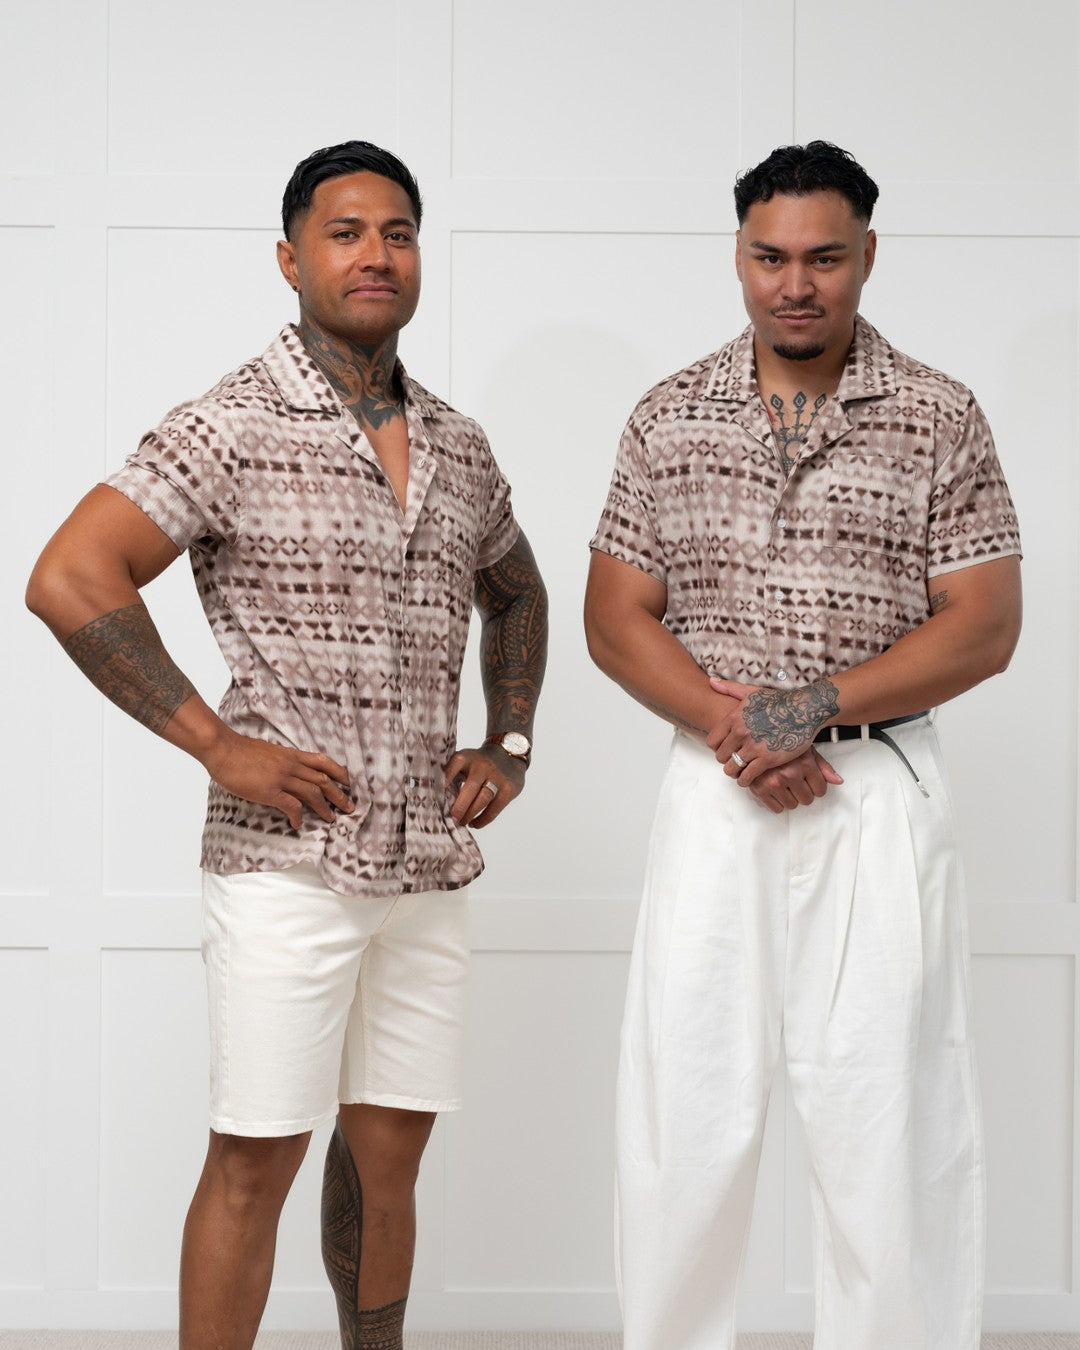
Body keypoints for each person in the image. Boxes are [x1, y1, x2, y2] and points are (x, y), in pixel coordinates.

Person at [27, 140, 547, 1350]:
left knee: (392, 1152)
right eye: (345, 232)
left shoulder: (458, 441)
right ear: (290, 258)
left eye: (398, 233)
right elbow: (68, 576)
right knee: (255, 1155)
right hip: (286, 863)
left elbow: (516, 589)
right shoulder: (231, 422)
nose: (377, 255)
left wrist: (509, 741)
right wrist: (217, 746)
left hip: (425, 865)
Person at [584, 141, 1021, 1350]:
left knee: (890, 1115)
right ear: (738, 256)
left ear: (867, 255)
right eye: (770, 257)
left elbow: (985, 626)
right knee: (686, 1106)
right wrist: (738, 728)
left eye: (824, 258)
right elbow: (615, 617)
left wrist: (805, 708)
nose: (795, 285)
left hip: (877, 791)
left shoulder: (939, 414)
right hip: (711, 791)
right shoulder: (669, 413)